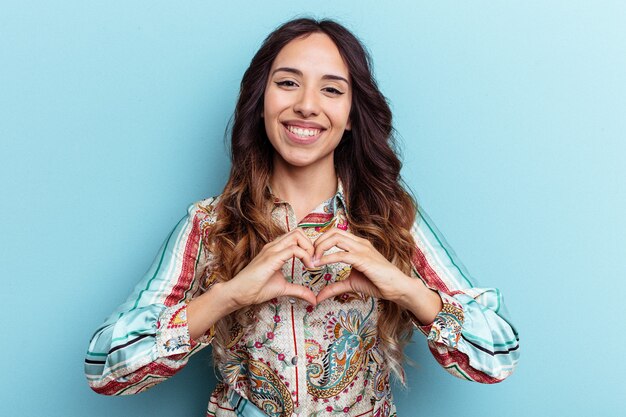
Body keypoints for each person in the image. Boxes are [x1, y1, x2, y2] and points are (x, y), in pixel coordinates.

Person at [85, 17, 520, 417]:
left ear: (351, 116)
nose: (307, 106)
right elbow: (104, 368)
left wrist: (405, 289)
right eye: (288, 83)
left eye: (331, 89)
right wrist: (228, 296)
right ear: (260, 101)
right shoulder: (210, 225)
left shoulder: (393, 219)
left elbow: (497, 357)